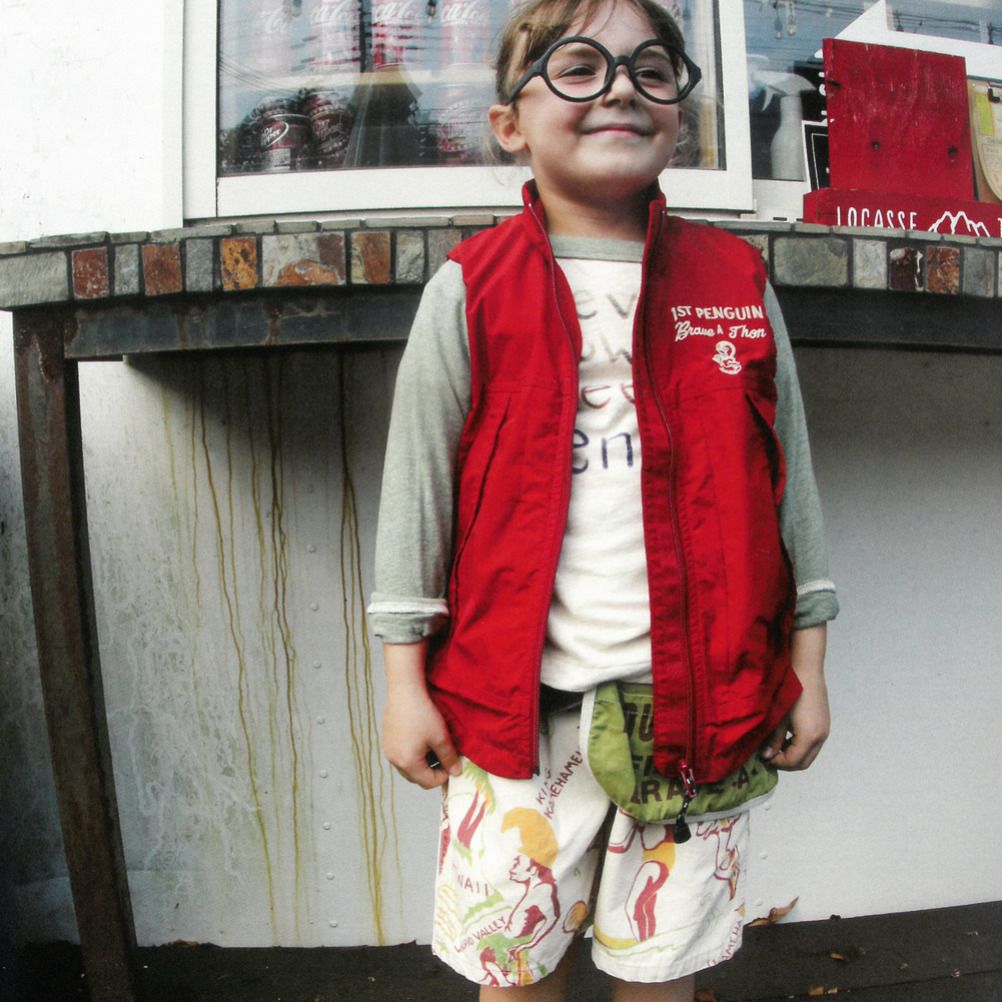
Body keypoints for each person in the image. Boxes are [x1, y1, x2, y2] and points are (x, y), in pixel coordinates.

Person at [369, 1, 838, 998]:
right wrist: (404, 681)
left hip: (703, 717)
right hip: (517, 726)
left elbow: (788, 480)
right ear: (510, 123)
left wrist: (809, 662)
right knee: (515, 971)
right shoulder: (472, 287)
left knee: (662, 970)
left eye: (651, 69)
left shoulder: (735, 282)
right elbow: (417, 491)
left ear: (680, 114)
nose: (621, 87)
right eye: (578, 68)